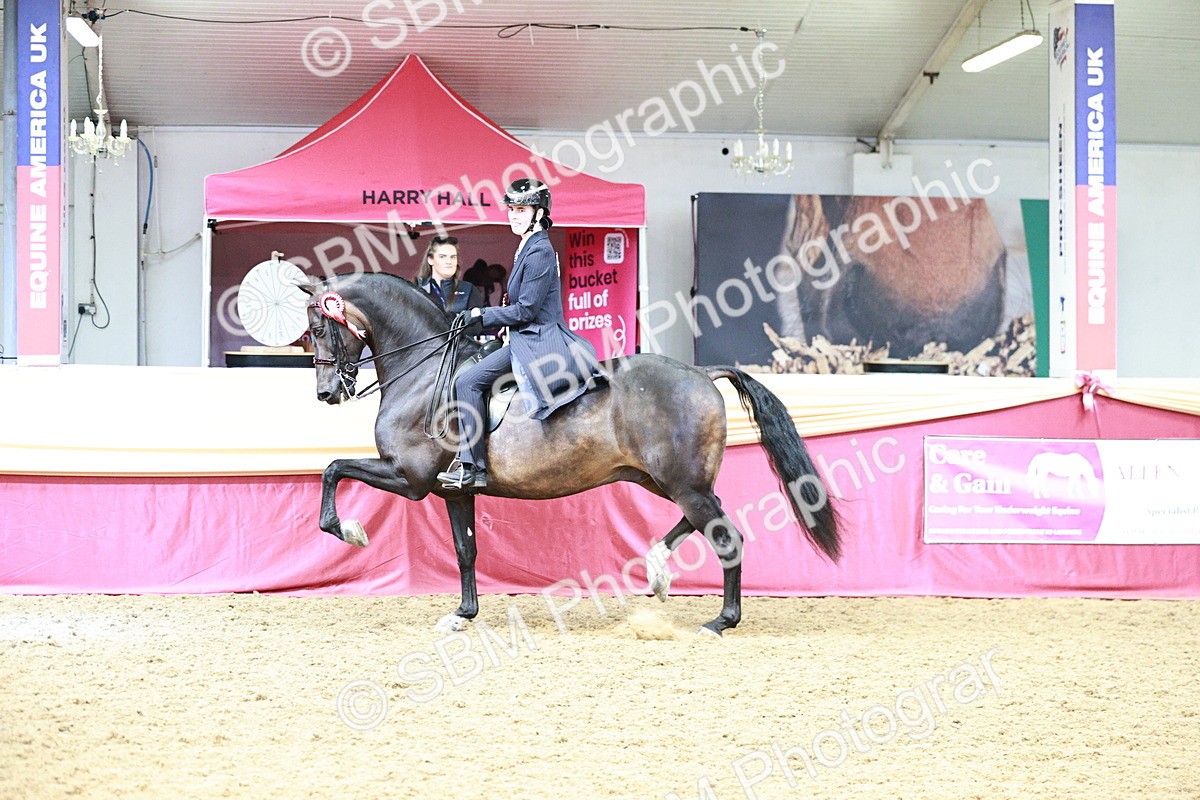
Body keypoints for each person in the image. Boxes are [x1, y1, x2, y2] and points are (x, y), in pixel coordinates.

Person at [437, 178, 604, 491]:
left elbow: (527, 310)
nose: (513, 215)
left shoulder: (540, 250)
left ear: (539, 214)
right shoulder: (527, 245)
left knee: (467, 381)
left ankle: (472, 468)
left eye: (521, 209)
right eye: (511, 209)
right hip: (520, 335)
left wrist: (480, 314)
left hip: (537, 339)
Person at [414, 235, 484, 315]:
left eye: (453, 257)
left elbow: (477, 325)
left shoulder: (468, 289)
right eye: (442, 257)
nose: (449, 261)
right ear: (430, 260)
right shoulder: (416, 288)